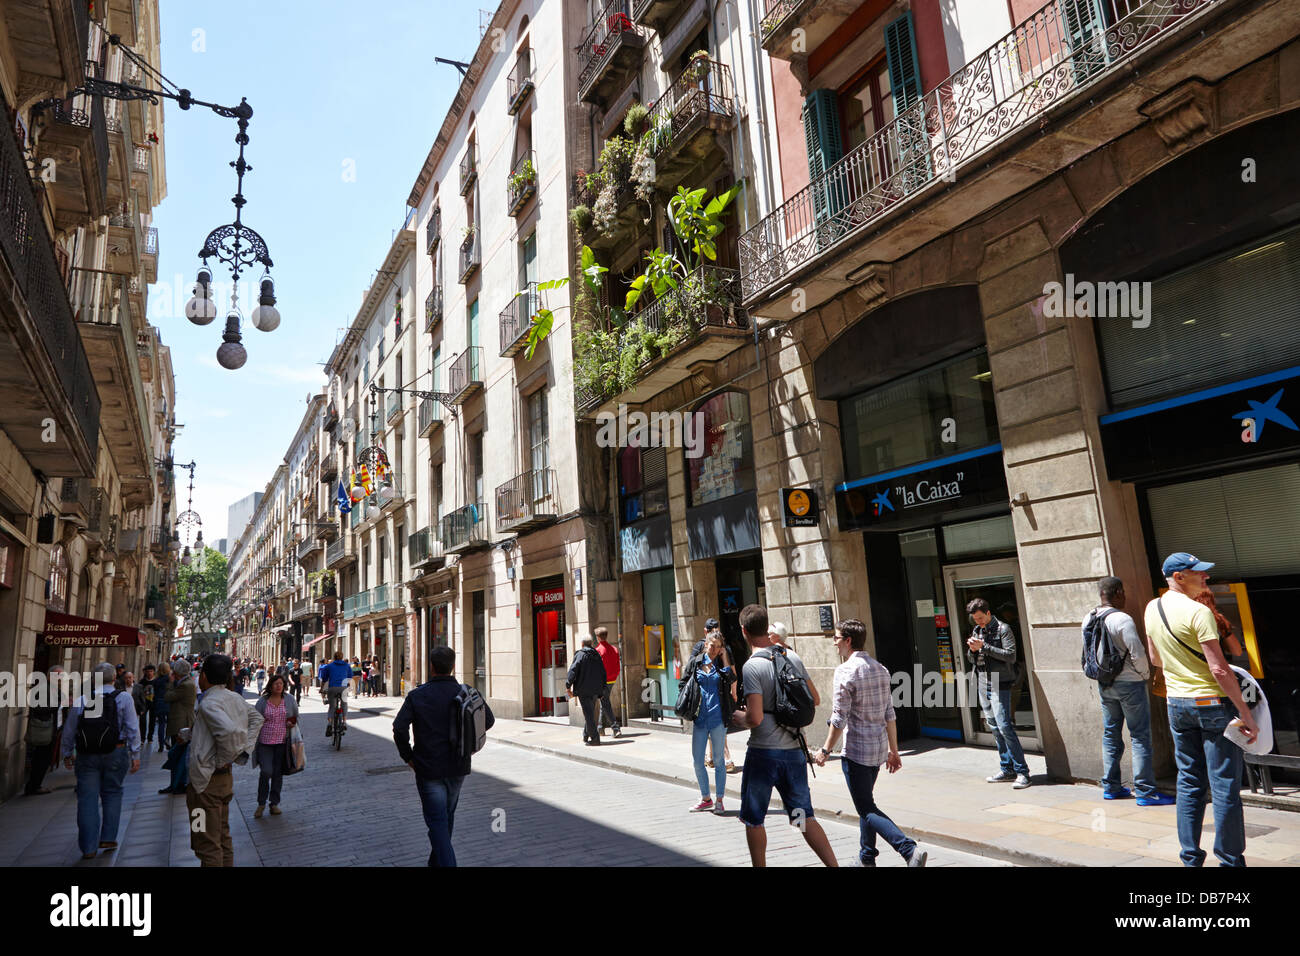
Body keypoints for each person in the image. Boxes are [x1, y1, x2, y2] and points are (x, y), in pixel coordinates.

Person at [1144, 553, 1258, 867]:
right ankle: (1230, 859)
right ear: (1178, 577)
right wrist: (1245, 714)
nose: (1205, 578)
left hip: (1177, 704)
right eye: (1199, 574)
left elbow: (1155, 658)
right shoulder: (1199, 612)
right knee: (1224, 785)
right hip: (1211, 704)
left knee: (1189, 781)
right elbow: (1220, 670)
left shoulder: (1152, 608)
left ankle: (1190, 858)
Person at [729, 604, 837, 867]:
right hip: (793, 755)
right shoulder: (792, 657)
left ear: (743, 631)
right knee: (802, 816)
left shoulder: (752, 666)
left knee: (755, 818)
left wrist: (735, 716)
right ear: (767, 627)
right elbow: (815, 698)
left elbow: (754, 717)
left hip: (764, 755)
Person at [814, 619, 926, 867]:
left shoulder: (844, 671)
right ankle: (866, 857)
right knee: (867, 802)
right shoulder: (881, 669)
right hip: (876, 750)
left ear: (848, 640)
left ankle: (908, 849)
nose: (834, 643)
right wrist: (894, 751)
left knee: (865, 807)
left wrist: (824, 750)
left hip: (855, 751)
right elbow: (890, 714)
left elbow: (839, 718)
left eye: (836, 638)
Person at [393, 645, 495, 867]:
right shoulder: (466, 692)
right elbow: (488, 720)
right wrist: (470, 743)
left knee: (438, 821)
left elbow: (399, 728)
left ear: (431, 667)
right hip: (458, 766)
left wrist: (408, 757)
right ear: (453, 666)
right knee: (445, 818)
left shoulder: (417, 695)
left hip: (428, 768)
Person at [1088, 577, 1173, 806]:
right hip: (1130, 684)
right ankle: (1145, 791)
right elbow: (1137, 652)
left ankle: (1112, 787)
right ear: (1116, 593)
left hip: (1105, 683)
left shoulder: (1090, 617)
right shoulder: (1122, 619)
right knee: (1140, 736)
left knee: (1111, 734)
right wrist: (1146, 676)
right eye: (1123, 593)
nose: (1125, 597)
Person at [186, 654, 264, 867]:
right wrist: (242, 752)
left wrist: (224, 758)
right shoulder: (235, 698)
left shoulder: (209, 703)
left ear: (203, 676)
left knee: (205, 842)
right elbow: (257, 719)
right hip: (223, 782)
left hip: (204, 785)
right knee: (222, 837)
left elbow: (228, 732)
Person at [60, 662, 141, 859]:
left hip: (87, 755)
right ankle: (108, 837)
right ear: (115, 678)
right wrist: (135, 754)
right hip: (116, 751)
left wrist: (67, 753)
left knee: (87, 798)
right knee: (112, 793)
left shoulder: (81, 700)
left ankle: (88, 847)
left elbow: (69, 730)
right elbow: (132, 727)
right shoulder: (123, 698)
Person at [965, 597, 1031, 788]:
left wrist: (983, 646)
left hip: (1000, 682)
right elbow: (973, 658)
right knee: (994, 727)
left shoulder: (1004, 629)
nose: (978, 622)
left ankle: (1022, 772)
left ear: (988, 613)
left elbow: (1010, 656)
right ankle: (1007, 768)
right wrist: (972, 650)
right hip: (982, 681)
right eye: (975, 619)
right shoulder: (977, 630)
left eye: (980, 618)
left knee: (1004, 727)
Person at [687, 632, 734, 813]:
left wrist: (725, 658)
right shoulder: (696, 662)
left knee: (719, 760)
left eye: (718, 647)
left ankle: (720, 799)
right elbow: (684, 683)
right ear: (705, 644)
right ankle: (706, 798)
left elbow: (731, 679)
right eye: (711, 646)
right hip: (700, 719)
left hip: (717, 718)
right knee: (698, 761)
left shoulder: (721, 663)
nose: (714, 650)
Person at [253, 674, 298, 818]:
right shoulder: (263, 701)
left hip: (282, 743)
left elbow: (296, 716)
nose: (279, 686)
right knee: (266, 771)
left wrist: (292, 723)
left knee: (277, 774)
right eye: (276, 684)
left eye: (281, 684)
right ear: (270, 685)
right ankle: (261, 803)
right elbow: (254, 719)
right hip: (265, 742)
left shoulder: (289, 699)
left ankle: (274, 803)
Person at [160, 659, 197, 795]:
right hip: (179, 722)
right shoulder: (184, 683)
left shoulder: (186, 685)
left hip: (182, 724)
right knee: (176, 755)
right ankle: (175, 784)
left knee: (179, 756)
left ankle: (179, 784)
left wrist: (170, 683)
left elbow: (168, 697)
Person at [566, 637, 608, 746]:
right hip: (595, 690)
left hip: (583, 690)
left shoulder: (580, 655)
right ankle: (585, 735)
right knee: (589, 712)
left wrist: (568, 685)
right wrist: (603, 688)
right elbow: (603, 672)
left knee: (588, 714)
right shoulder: (596, 655)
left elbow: (573, 671)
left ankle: (595, 739)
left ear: (582, 643)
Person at [24, 677, 58, 796]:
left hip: (49, 729)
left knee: (44, 759)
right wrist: (57, 704)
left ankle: (35, 785)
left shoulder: (53, 689)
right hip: (43, 729)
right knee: (41, 758)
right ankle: (33, 786)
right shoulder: (44, 689)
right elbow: (38, 706)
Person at [594, 628, 622, 738]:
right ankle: (600, 728)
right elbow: (618, 666)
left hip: (603, 681)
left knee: (605, 703)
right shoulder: (614, 649)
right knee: (604, 701)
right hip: (612, 679)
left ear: (598, 637)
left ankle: (615, 728)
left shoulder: (598, 650)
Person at [320, 651, 354, 738]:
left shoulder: (329, 666)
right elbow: (350, 677)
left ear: (334, 657)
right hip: (343, 688)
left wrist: (321, 689)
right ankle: (344, 722)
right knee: (344, 704)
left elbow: (324, 678)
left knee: (332, 706)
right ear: (342, 657)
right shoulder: (347, 665)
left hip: (333, 688)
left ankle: (329, 724)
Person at [149, 662, 170, 750]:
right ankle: (167, 739)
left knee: (161, 724)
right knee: (169, 724)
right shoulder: (169, 679)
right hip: (168, 702)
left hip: (159, 703)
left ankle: (160, 744)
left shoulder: (156, 681)